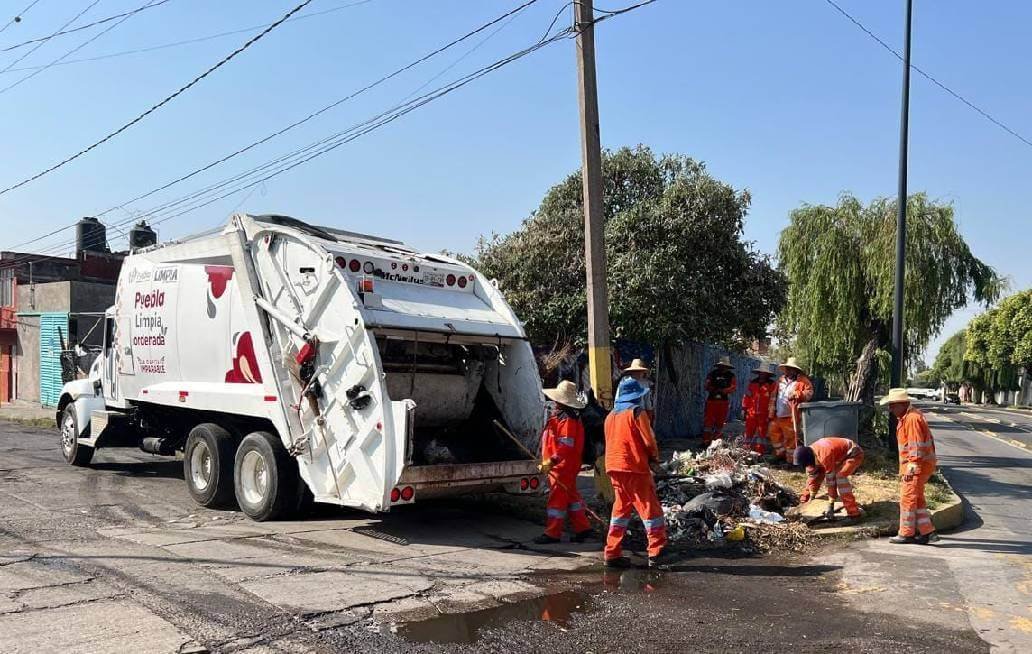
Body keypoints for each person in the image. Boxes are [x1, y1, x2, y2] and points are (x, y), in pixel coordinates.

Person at [603, 377, 668, 568]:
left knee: (620, 512)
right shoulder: (637, 413)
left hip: (614, 467)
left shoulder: (611, 416)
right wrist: (654, 459)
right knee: (650, 510)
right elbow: (649, 441)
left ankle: (612, 553)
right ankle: (656, 552)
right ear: (636, 397)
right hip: (634, 468)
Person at [533, 380, 594, 545]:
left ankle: (553, 533)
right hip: (564, 465)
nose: (554, 401)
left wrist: (551, 461)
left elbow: (566, 446)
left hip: (562, 466)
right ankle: (583, 529)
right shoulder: (562, 417)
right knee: (572, 498)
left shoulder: (567, 419)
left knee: (557, 500)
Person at [881, 388, 939, 544]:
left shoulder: (911, 419)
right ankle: (928, 532)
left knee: (907, 499)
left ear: (902, 404)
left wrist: (911, 468)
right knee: (917, 499)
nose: (890, 409)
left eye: (892, 405)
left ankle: (906, 533)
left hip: (916, 466)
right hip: (921, 465)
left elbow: (916, 446)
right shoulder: (908, 417)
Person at [794, 437, 865, 520]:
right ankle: (804, 500)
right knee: (815, 473)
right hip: (837, 456)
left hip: (853, 453)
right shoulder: (809, 454)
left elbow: (831, 482)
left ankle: (854, 514)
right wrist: (808, 498)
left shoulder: (825, 456)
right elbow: (812, 478)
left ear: (809, 459)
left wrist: (831, 505)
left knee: (840, 477)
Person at [767, 357, 814, 462]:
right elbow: (774, 396)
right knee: (773, 433)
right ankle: (780, 455)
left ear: (796, 370)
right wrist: (771, 410)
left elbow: (809, 393)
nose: (789, 370)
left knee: (791, 439)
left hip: (791, 415)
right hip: (777, 414)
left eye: (791, 368)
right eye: (788, 368)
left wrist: (797, 394)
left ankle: (791, 460)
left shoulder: (803, 381)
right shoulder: (780, 380)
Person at [742, 366, 776, 454]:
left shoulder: (772, 384)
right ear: (759, 373)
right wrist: (744, 409)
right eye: (761, 373)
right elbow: (747, 396)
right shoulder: (753, 383)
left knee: (762, 434)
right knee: (748, 432)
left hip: (764, 413)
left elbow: (773, 400)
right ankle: (746, 450)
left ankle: (759, 452)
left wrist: (771, 414)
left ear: (767, 374)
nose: (762, 374)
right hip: (751, 412)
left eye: (764, 373)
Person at [702, 356, 737, 444]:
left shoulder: (731, 376)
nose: (723, 367)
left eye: (724, 366)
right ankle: (706, 441)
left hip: (723, 401)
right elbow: (706, 385)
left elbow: (733, 387)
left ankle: (716, 442)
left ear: (727, 366)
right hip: (711, 400)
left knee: (720, 421)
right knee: (708, 422)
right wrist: (713, 389)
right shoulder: (712, 374)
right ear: (719, 365)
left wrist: (723, 391)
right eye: (721, 366)